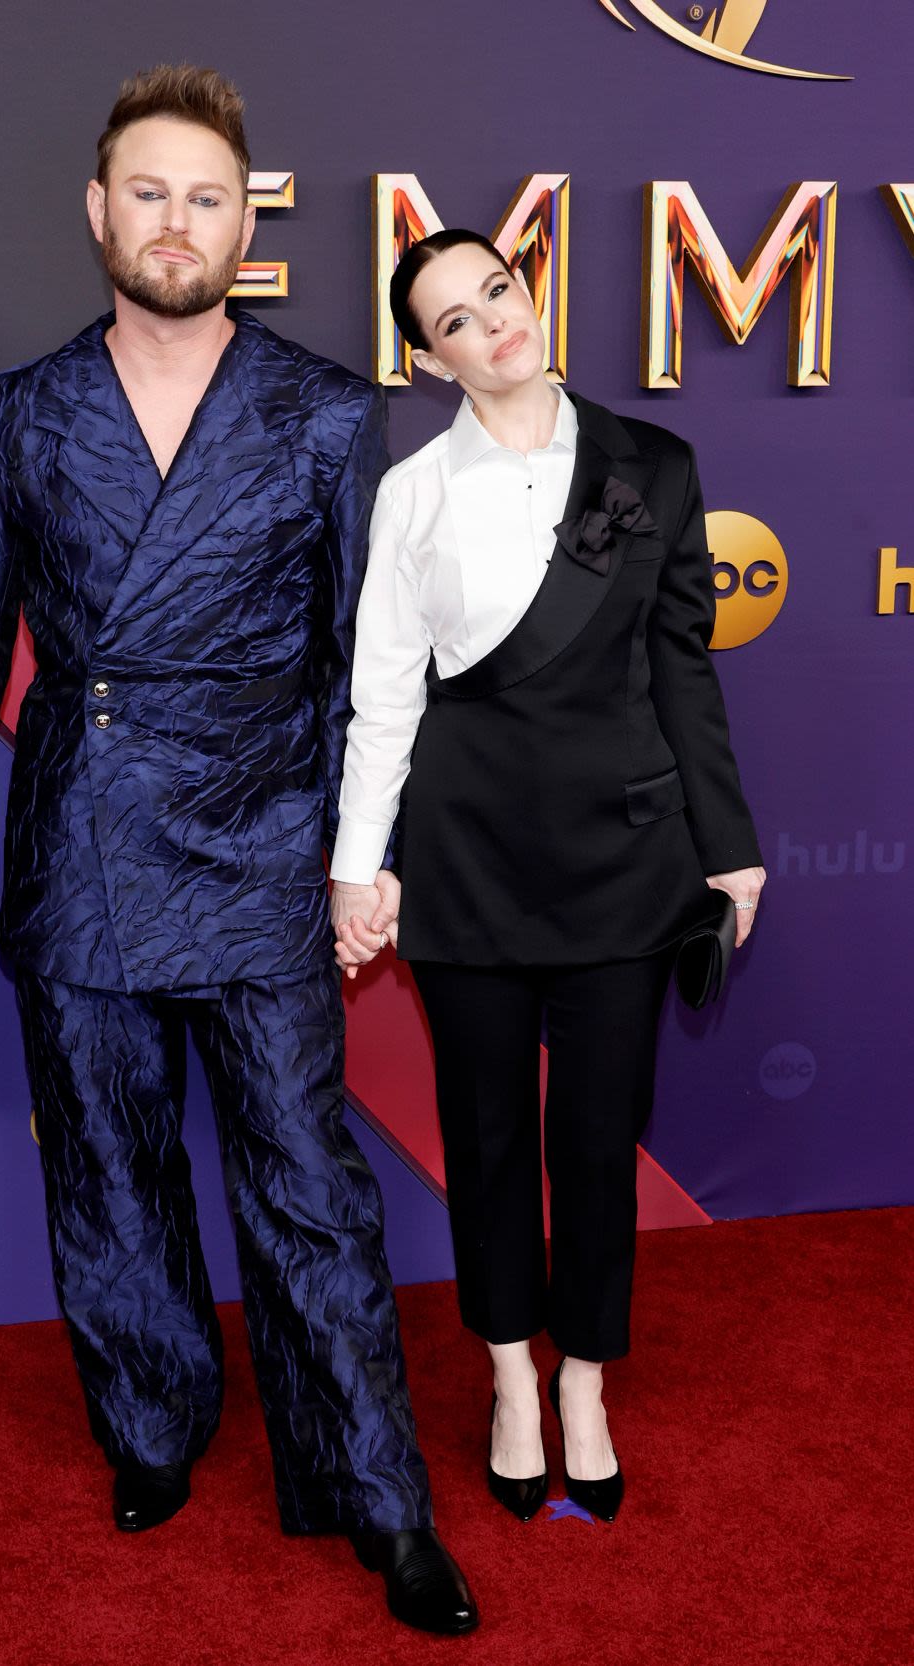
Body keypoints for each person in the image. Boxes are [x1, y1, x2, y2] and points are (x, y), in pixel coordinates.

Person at [0, 67, 477, 1635]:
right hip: (76, 846)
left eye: (205, 196)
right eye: (147, 192)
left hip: (267, 845)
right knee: (108, 1176)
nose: (175, 221)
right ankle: (149, 1428)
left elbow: (370, 667)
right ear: (99, 212)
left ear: (246, 223)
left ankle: (377, 1494)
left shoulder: (327, 410)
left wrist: (369, 862)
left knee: (308, 1190)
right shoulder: (18, 415)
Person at [330, 229, 765, 1524]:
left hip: (623, 864)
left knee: (593, 1136)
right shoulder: (412, 490)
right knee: (485, 1139)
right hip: (465, 865)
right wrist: (360, 869)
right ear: (427, 358)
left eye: (498, 296)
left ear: (531, 295)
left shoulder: (653, 465)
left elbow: (685, 668)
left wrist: (727, 845)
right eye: (453, 320)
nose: (490, 327)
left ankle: (584, 1376)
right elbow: (382, 700)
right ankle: (509, 1374)